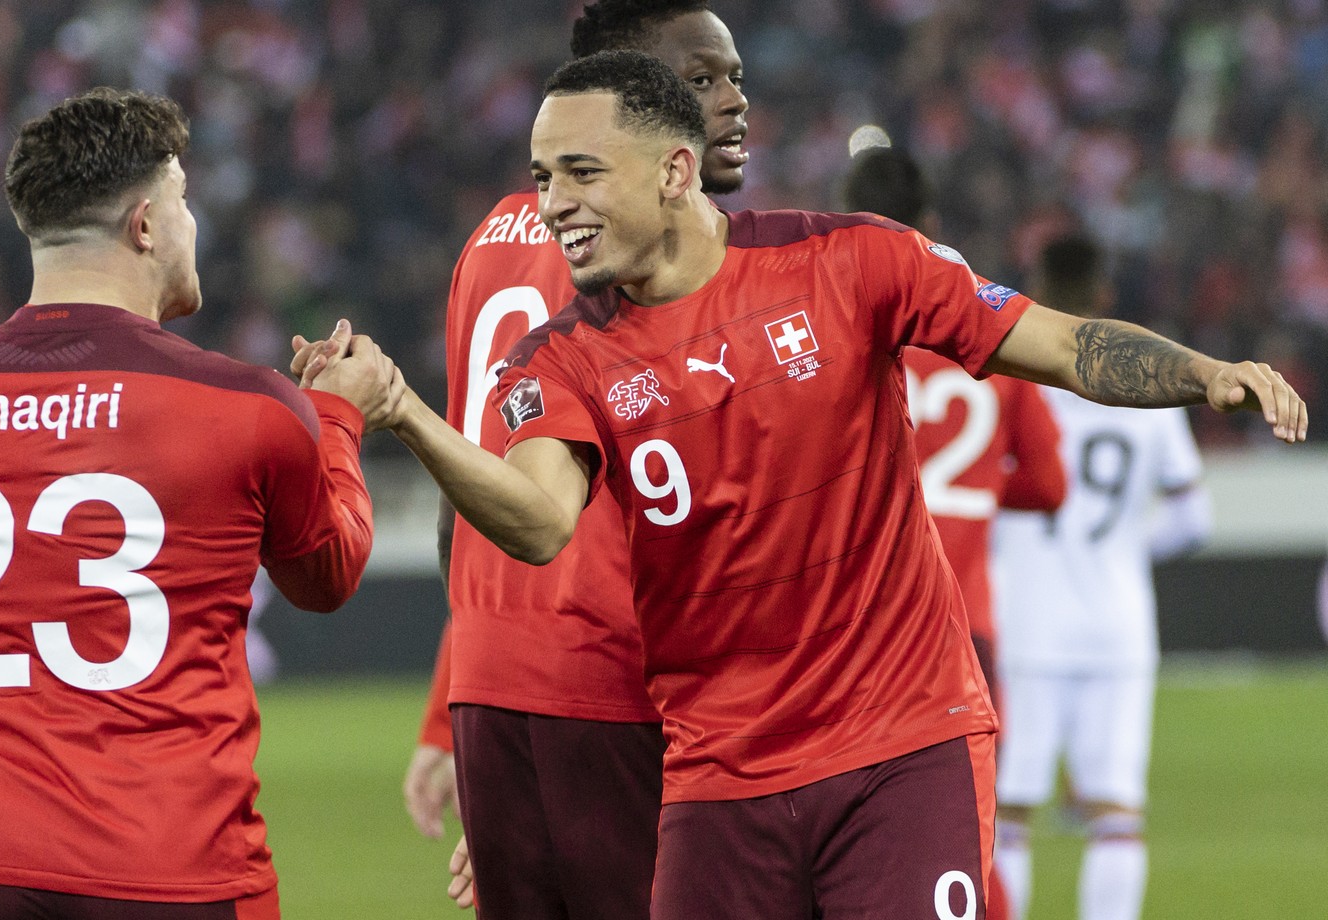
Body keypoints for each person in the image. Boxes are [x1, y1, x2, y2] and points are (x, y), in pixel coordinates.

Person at [303, 50, 1305, 918]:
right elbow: (536, 521)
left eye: (581, 171)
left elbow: (1056, 341)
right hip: (718, 774)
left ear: (675, 171)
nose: (553, 200)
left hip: (901, 745)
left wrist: (1204, 373)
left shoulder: (848, 261)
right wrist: (403, 410)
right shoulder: (555, 361)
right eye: (541, 174)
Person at [0, 88, 399, 920]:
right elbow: (326, 576)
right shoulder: (245, 406)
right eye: (185, 200)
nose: (193, 224)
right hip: (175, 869)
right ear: (147, 225)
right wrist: (338, 417)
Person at [401, 2, 749, 915]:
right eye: (702, 80)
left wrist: (464, 700)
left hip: (495, 679)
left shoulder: (493, 234)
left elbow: (465, 488)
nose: (733, 103)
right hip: (616, 671)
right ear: (636, 94)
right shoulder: (639, 244)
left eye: (732, 79)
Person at [845, 145, 1068, 920]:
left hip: (849, 628)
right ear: (932, 227)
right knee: (963, 844)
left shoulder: (837, 332)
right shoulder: (987, 341)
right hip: (961, 631)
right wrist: (973, 491)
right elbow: (1049, 485)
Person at [991, 233, 1214, 920]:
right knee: (1117, 810)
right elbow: (1193, 519)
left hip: (1025, 619)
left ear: (1035, 290)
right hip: (1118, 625)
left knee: (1010, 815)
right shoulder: (1146, 382)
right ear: (1103, 295)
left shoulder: (1010, 378)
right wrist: (1121, 552)